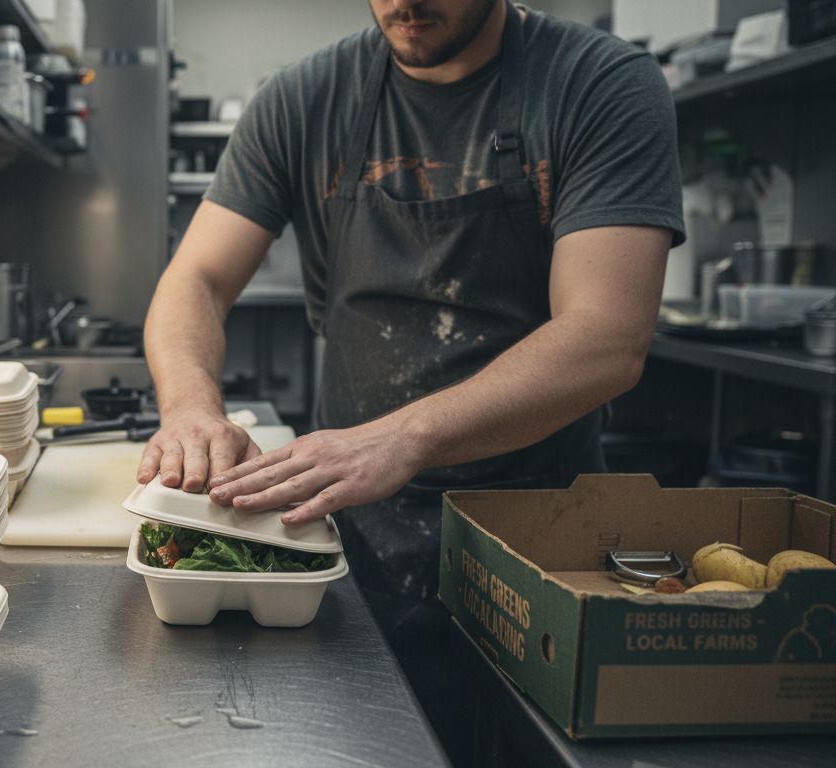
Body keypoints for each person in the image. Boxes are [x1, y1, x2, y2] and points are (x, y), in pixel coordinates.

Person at [136, 0, 682, 662]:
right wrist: (191, 409)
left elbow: (606, 338)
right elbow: (196, 279)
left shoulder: (597, 82)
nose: (404, 2)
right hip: (346, 535)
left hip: (536, 540)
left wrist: (403, 438)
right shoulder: (304, 99)